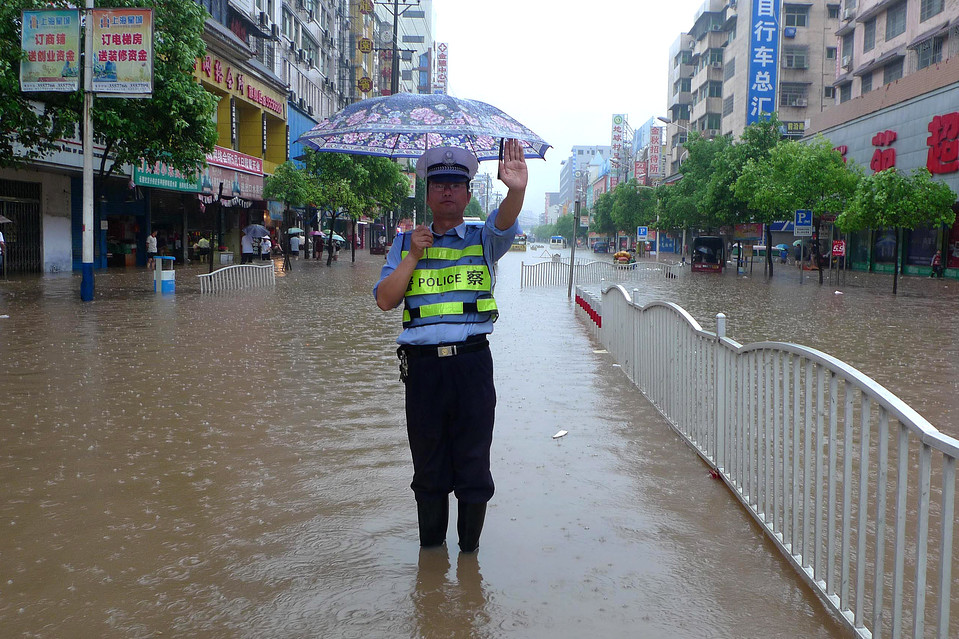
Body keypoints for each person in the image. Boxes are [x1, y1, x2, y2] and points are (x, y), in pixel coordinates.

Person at [374, 140, 527, 553]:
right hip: (422, 372)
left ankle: (468, 561)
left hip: (471, 368)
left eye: (455, 184)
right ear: (426, 192)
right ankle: (432, 561)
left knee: (473, 465)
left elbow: (505, 222)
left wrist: (516, 191)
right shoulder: (405, 243)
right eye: (438, 183)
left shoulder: (484, 239)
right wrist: (412, 256)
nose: (447, 191)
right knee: (429, 468)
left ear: (468, 193)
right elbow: (386, 300)